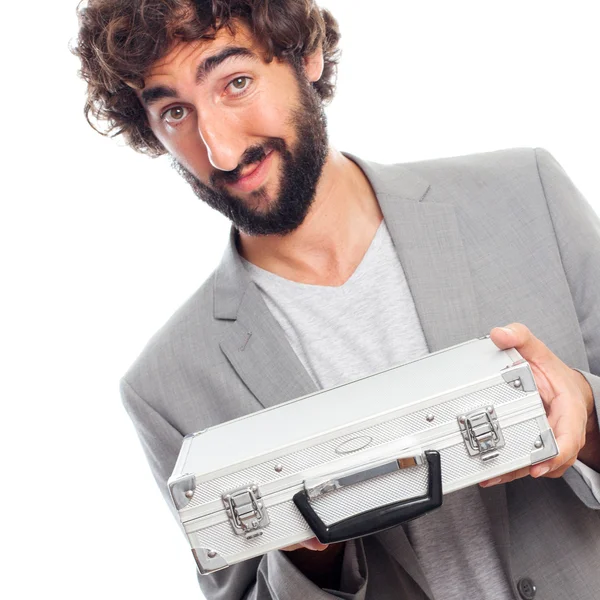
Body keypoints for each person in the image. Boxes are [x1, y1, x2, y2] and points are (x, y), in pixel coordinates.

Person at [74, 1, 600, 598]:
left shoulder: (527, 194)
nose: (219, 150)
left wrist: (587, 406)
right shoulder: (164, 386)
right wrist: (309, 561)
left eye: (236, 82)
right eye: (175, 112)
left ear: (307, 54)